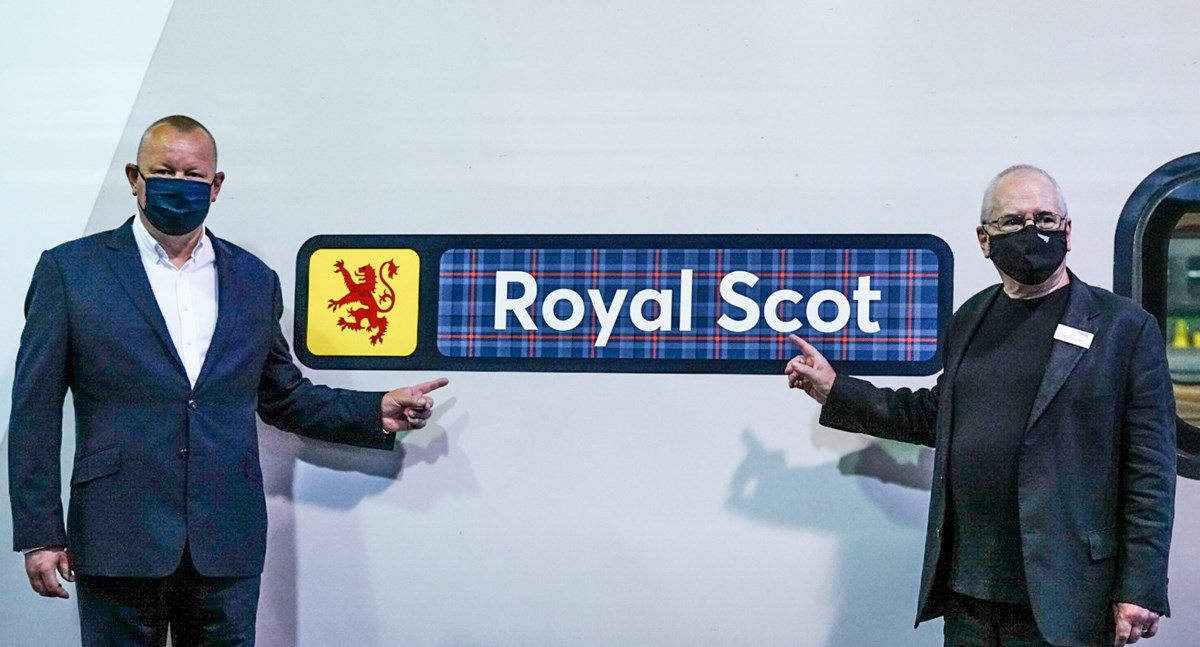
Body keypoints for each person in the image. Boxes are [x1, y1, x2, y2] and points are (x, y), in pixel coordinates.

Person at [8, 115, 449, 646]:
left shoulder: (253, 280)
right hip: (117, 534)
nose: (180, 185)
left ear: (216, 186)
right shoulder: (70, 272)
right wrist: (39, 535)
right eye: (164, 171)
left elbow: (282, 395)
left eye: (194, 175)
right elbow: (33, 412)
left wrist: (374, 409)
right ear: (134, 177)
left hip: (226, 541)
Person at [785, 165, 1175, 647]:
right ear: (984, 238)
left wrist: (1141, 586)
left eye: (1046, 219)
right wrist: (835, 390)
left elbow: (1150, 473)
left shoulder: (1125, 329)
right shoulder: (971, 317)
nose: (1032, 232)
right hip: (968, 593)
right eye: (1013, 221)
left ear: (1068, 231)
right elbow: (937, 414)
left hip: (1068, 597)